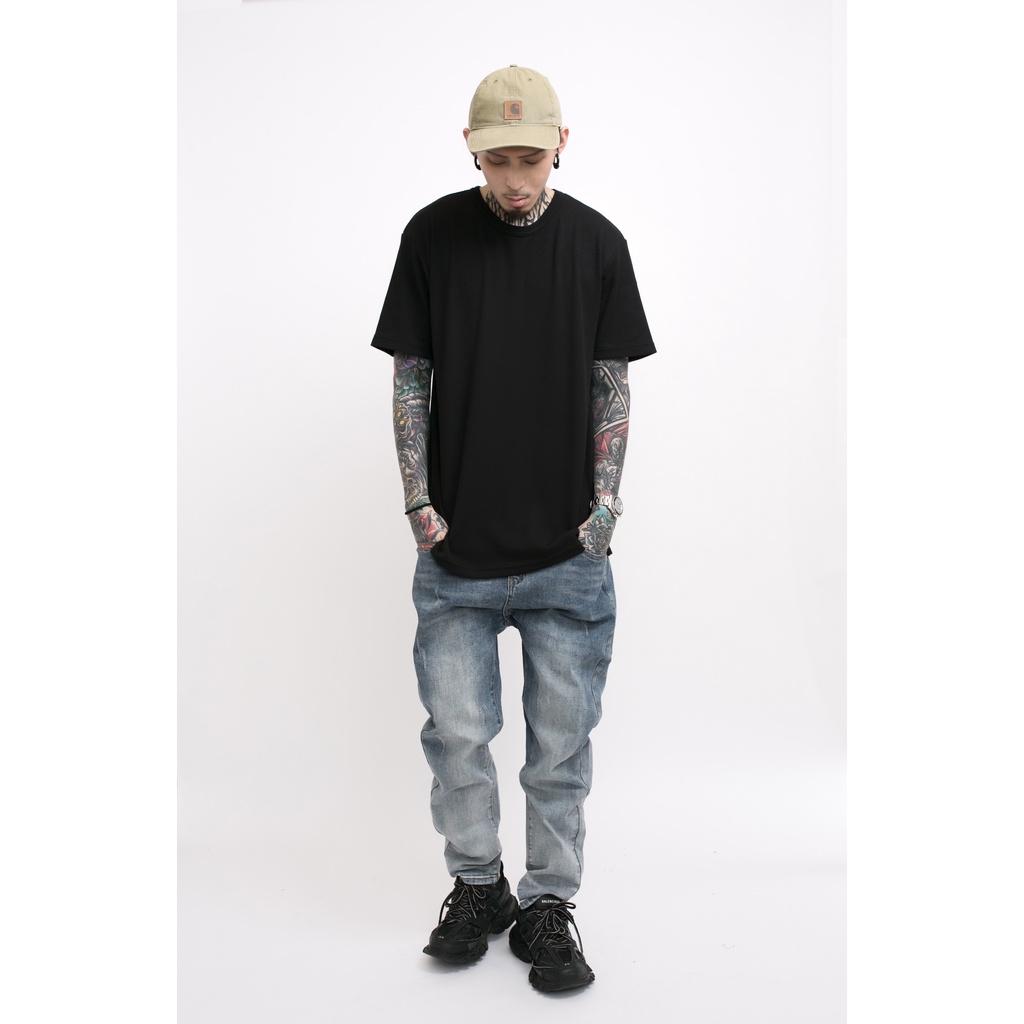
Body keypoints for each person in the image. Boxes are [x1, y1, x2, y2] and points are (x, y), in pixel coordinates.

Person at [371, 64, 656, 992]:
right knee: (457, 738)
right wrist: (418, 502)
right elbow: (410, 379)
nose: (515, 178)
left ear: (561, 146)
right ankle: (478, 886)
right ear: (471, 150)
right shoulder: (431, 237)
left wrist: (604, 510)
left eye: (530, 159)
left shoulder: (598, 245)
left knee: (559, 750)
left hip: (567, 553)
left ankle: (548, 903)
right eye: (498, 161)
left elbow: (612, 385)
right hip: (455, 551)